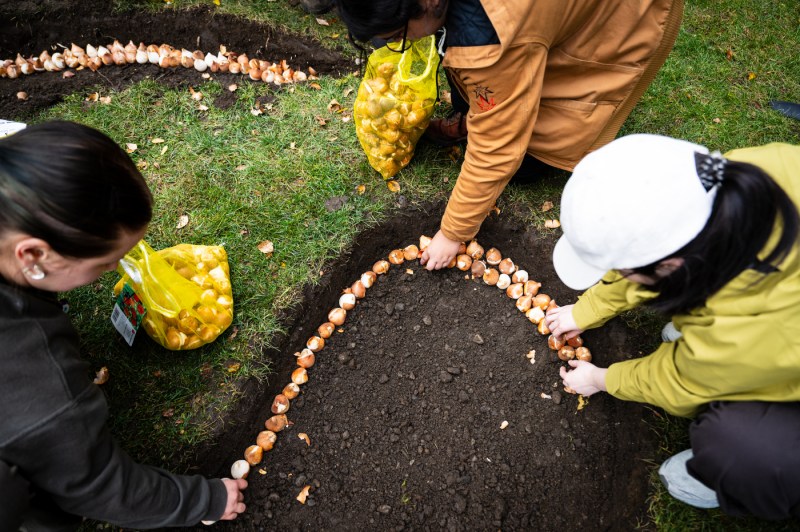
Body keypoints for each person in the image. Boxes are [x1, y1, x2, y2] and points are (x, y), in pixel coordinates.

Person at [0, 121, 247, 530]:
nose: (115, 268)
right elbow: (99, 484)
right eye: (103, 264)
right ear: (33, 255)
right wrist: (206, 499)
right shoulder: (39, 386)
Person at [545, 134, 800, 519]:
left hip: (771, 347)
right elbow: (650, 256)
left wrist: (601, 379)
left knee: (735, 444)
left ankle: (742, 475)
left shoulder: (742, 335)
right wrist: (587, 310)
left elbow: (680, 383)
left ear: (671, 266)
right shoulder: (742, 174)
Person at [334, 0, 684, 270]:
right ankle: (473, 117)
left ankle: (486, 118)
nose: (394, 43)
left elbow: (497, 149)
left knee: (527, 164)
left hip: (622, 17)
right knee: (482, 86)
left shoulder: (488, 41)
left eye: (397, 34)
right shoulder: (462, 28)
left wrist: (452, 234)